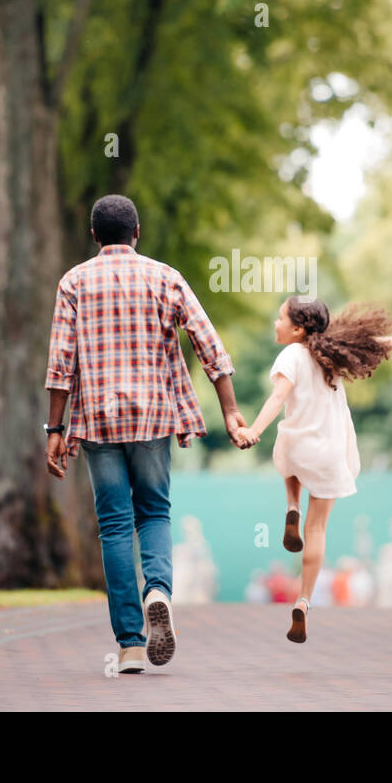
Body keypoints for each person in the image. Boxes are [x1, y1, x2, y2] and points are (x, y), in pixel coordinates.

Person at [43, 194, 255, 675]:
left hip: (97, 419)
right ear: (136, 232)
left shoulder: (74, 281)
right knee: (154, 512)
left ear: (94, 235)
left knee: (115, 525)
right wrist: (232, 412)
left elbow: (60, 364)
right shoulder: (166, 277)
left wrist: (54, 429)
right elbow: (210, 346)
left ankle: (131, 645)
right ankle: (158, 589)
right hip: (153, 417)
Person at [236, 296, 392, 642]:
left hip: (298, 447)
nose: (276, 323)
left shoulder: (291, 355)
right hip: (330, 454)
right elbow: (377, 344)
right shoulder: (330, 355)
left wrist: (253, 430)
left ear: (298, 329)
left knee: (286, 455)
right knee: (317, 531)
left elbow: (277, 398)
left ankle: (291, 505)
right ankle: (303, 601)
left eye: (280, 318)